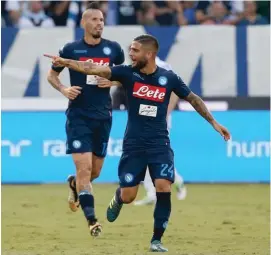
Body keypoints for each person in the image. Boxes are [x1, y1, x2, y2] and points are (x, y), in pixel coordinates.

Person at [44, 34, 231, 252]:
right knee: (129, 195)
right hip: (133, 146)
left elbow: (193, 98)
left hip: (160, 144)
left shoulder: (169, 78)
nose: (130, 53)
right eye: (130, 49)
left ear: (149, 54)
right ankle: (119, 197)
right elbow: (91, 68)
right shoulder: (126, 73)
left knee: (163, 186)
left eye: (135, 50)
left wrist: (214, 123)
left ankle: (156, 240)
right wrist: (65, 62)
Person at [46, 2, 124, 237]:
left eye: (102, 20)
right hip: (79, 116)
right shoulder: (70, 49)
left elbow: (126, 77)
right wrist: (63, 89)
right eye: (94, 20)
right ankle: (92, 221)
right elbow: (51, 75)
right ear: (83, 23)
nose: (99, 23)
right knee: (84, 168)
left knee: (95, 172)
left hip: (103, 116)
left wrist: (113, 82)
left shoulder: (114, 49)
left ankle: (73, 185)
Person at [134, 56, 187, 206]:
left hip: (159, 119)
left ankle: (176, 179)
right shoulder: (136, 66)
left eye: (136, 50)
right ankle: (152, 193)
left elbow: (175, 91)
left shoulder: (163, 67)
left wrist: (166, 113)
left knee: (157, 155)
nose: (132, 54)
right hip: (142, 117)